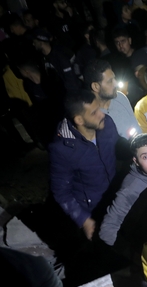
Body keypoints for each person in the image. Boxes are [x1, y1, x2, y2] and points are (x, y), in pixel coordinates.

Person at [49, 89, 119, 240]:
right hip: (95, 209)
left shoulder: (107, 125)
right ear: (79, 120)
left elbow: (119, 149)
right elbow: (62, 192)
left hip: (118, 197)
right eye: (94, 113)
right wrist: (84, 220)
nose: (102, 114)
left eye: (99, 108)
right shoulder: (63, 150)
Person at [31, 29, 81, 94]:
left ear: (41, 43)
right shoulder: (42, 59)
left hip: (74, 91)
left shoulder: (60, 54)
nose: (33, 44)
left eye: (35, 42)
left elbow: (71, 78)